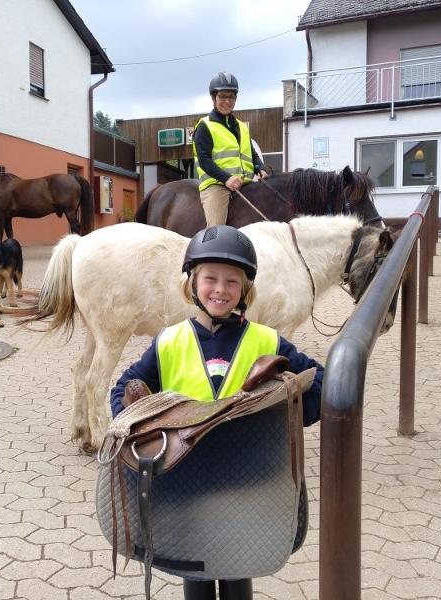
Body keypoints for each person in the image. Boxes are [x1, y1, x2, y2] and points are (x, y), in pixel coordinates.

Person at [109, 225, 324, 600]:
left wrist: (286, 402)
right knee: (196, 573)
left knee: (240, 571)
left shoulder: (268, 340)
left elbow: (317, 384)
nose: (220, 290)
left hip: (248, 484)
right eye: (210, 278)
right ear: (192, 282)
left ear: (246, 290)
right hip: (187, 484)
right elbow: (123, 390)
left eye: (232, 281)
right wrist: (143, 424)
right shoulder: (169, 341)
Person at [193, 72, 269, 228]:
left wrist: (260, 167)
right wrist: (226, 178)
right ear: (214, 98)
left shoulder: (242, 126)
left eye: (231, 97)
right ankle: (212, 250)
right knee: (217, 230)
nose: (227, 101)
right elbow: (204, 160)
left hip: (245, 184)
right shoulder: (204, 126)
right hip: (217, 186)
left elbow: (251, 154)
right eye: (222, 96)